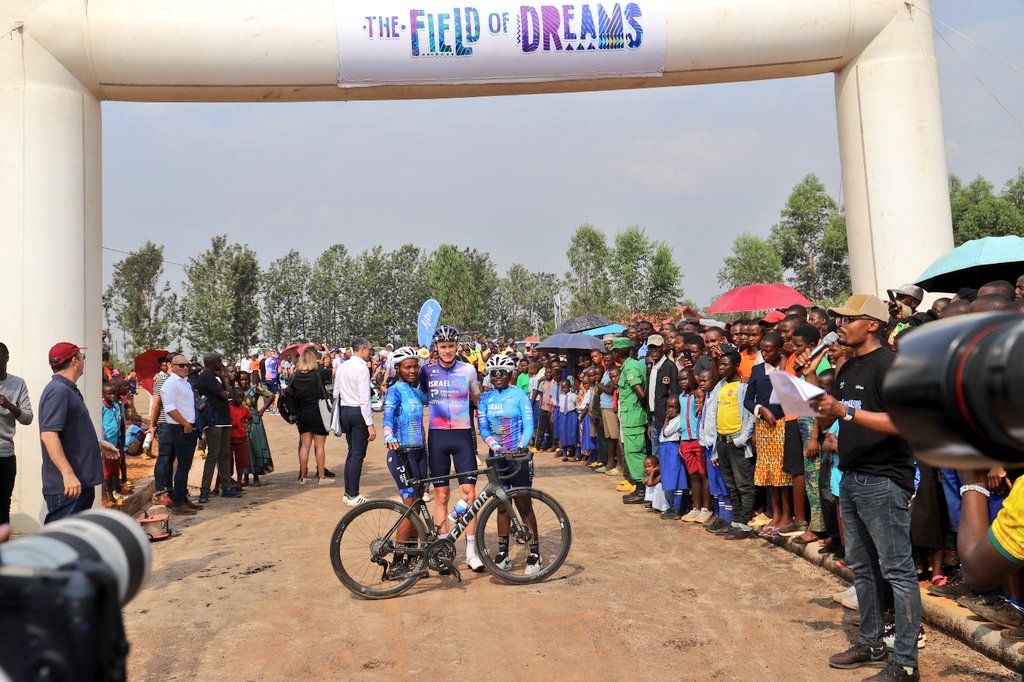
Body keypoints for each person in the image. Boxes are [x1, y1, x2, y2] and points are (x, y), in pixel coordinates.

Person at [806, 294, 922, 681]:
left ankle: (905, 662)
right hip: (852, 477)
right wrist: (811, 392)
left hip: (884, 480)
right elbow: (832, 413)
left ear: (872, 324)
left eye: (848, 318)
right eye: (838, 318)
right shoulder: (849, 365)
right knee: (864, 568)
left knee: (897, 572)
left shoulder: (890, 365)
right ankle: (871, 641)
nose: (839, 324)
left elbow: (903, 423)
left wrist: (846, 411)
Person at [419, 324, 483, 571]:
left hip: (462, 435)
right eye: (443, 346)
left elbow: (478, 400)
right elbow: (419, 396)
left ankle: (471, 552)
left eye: (451, 346)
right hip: (437, 437)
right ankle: (444, 551)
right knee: (442, 496)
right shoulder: (427, 371)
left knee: (469, 495)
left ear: (457, 346)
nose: (447, 351)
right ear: (436, 347)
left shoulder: (468, 370)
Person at [37, 343, 120, 522]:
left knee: (71, 543)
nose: (84, 361)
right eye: (83, 357)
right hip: (68, 487)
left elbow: (68, 431)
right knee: (59, 543)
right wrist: (67, 473)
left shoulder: (67, 390)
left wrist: (97, 444)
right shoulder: (58, 391)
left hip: (78, 483)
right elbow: (49, 434)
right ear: (75, 361)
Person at [477, 353, 541, 574]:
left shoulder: (520, 396)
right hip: (498, 456)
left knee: (524, 505)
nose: (497, 376)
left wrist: (521, 445)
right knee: (503, 506)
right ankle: (503, 553)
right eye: (493, 373)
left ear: (510, 374)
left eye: (502, 372)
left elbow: (528, 424)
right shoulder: (486, 398)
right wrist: (496, 446)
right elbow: (483, 428)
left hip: (519, 456)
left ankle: (534, 554)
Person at [701, 348, 756, 540]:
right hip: (722, 442)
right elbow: (713, 415)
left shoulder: (743, 386)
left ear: (736, 366)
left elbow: (751, 416)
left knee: (744, 484)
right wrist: (715, 448)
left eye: (725, 365)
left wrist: (741, 440)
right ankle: (736, 521)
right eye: (720, 364)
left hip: (737, 441)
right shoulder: (720, 386)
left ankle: (745, 523)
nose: (721, 368)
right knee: (731, 485)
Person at [334, 337, 376, 505]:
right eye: (369, 350)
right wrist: (370, 424)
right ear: (363, 349)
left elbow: (336, 392)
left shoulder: (342, 367)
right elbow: (365, 399)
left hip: (345, 410)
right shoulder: (362, 368)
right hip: (358, 411)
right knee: (358, 454)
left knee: (352, 453)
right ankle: (353, 494)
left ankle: (348, 492)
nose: (370, 353)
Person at [159, 354, 203, 515]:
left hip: (189, 426)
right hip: (180, 427)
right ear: (172, 366)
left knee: (186, 465)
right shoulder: (170, 384)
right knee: (183, 466)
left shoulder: (184, 382)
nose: (186, 368)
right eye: (181, 365)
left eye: (187, 365)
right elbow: (169, 408)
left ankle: (183, 498)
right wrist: (185, 423)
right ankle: (178, 503)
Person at [195, 352, 240, 503]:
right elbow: (226, 395)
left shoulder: (212, 376)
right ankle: (205, 490)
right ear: (213, 362)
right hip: (214, 420)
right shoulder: (206, 376)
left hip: (223, 419)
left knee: (224, 456)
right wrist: (225, 379)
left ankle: (226, 487)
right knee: (213, 456)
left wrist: (224, 380)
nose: (221, 363)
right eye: (219, 360)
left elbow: (231, 395)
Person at [290, 348, 334, 485]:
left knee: (305, 445)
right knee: (319, 446)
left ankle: (303, 477)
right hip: (317, 412)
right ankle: (321, 477)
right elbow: (331, 372)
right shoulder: (317, 374)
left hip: (302, 414)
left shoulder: (295, 376)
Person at [0, 342, 33, 525]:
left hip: (5, 456)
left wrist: (9, 405)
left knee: (4, 505)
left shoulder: (17, 384)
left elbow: (28, 418)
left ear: (6, 358)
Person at [613, 336, 648, 503]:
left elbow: (640, 392)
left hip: (634, 417)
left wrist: (640, 408)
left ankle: (642, 490)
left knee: (634, 454)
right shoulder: (630, 365)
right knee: (632, 453)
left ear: (617, 353)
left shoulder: (630, 368)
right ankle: (640, 488)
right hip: (631, 416)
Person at [236, 371, 273, 486]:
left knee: (256, 446)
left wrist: (262, 411)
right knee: (245, 450)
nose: (244, 382)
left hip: (255, 421)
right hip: (241, 423)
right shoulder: (236, 392)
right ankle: (245, 477)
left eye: (246, 379)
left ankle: (256, 477)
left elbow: (271, 395)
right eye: (241, 379)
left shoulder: (255, 389)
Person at [645, 334, 679, 459]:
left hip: (665, 417)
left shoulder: (670, 366)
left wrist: (669, 418)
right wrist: (649, 421)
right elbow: (650, 395)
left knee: (665, 451)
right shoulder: (651, 368)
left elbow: (674, 393)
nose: (654, 351)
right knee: (656, 451)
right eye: (651, 348)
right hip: (654, 417)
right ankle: (658, 477)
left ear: (663, 347)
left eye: (656, 347)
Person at [656, 395, 687, 519]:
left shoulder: (678, 419)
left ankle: (678, 507)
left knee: (676, 479)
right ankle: (672, 505)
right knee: (669, 478)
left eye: (674, 407)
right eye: (669, 407)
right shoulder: (670, 420)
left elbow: (666, 432)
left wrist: (666, 420)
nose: (671, 410)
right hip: (665, 449)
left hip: (672, 449)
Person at [228, 388, 252, 488]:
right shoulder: (228, 408)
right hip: (229, 439)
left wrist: (245, 426)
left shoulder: (244, 409)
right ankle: (226, 483)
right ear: (232, 397)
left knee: (241, 463)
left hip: (241, 439)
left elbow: (250, 418)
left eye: (242, 397)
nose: (240, 399)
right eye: (238, 397)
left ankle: (238, 483)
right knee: (228, 462)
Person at [557, 379, 578, 462]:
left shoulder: (573, 396)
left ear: (569, 387)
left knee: (573, 433)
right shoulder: (561, 396)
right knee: (563, 433)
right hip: (563, 415)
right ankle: (565, 453)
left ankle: (576, 453)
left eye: (566, 387)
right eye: (562, 387)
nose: (564, 389)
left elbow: (576, 405)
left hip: (571, 415)